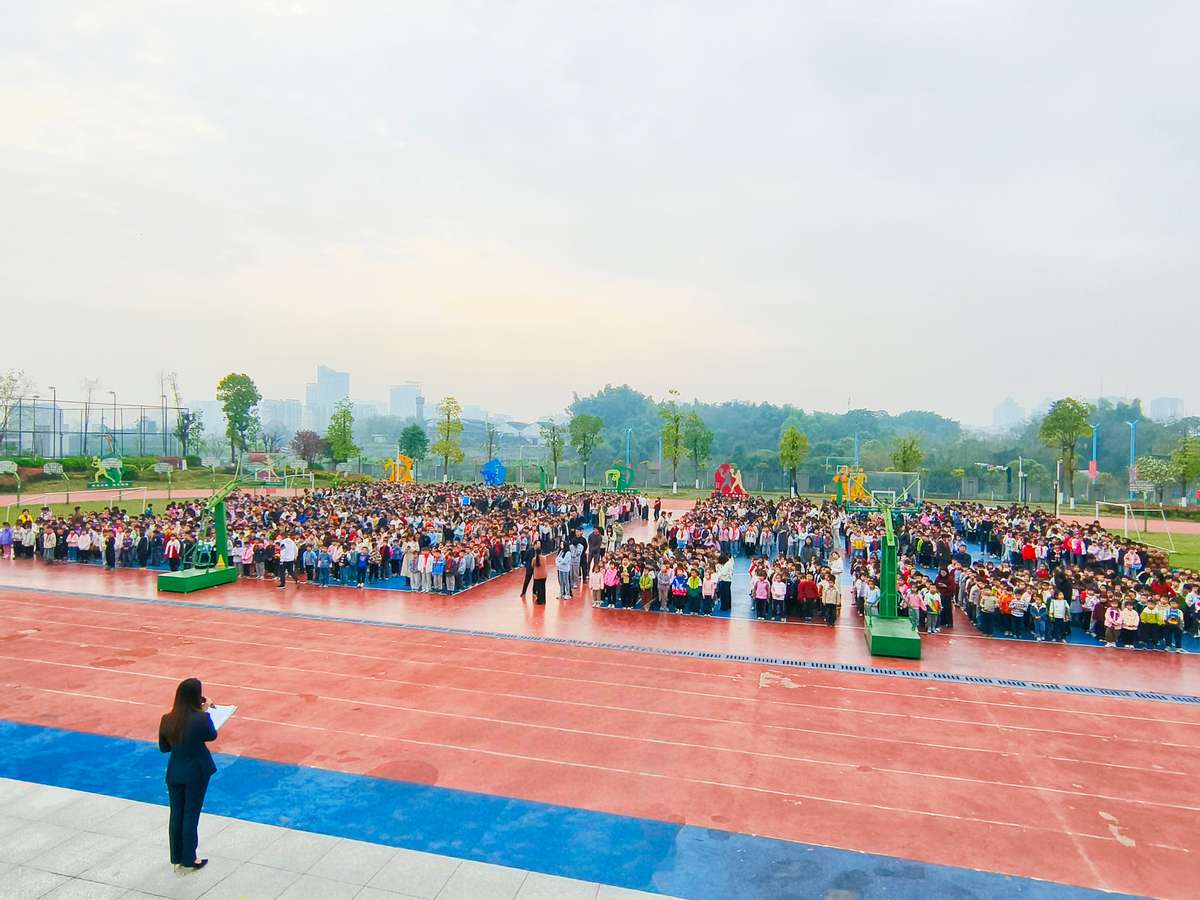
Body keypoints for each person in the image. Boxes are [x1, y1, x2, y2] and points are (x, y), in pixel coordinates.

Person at [158, 677, 218, 872]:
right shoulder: (201, 718)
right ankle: (190, 858)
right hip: (196, 771)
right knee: (191, 813)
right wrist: (205, 711)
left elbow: (164, 747)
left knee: (177, 813)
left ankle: (177, 855)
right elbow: (211, 735)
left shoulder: (167, 719)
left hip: (175, 770)